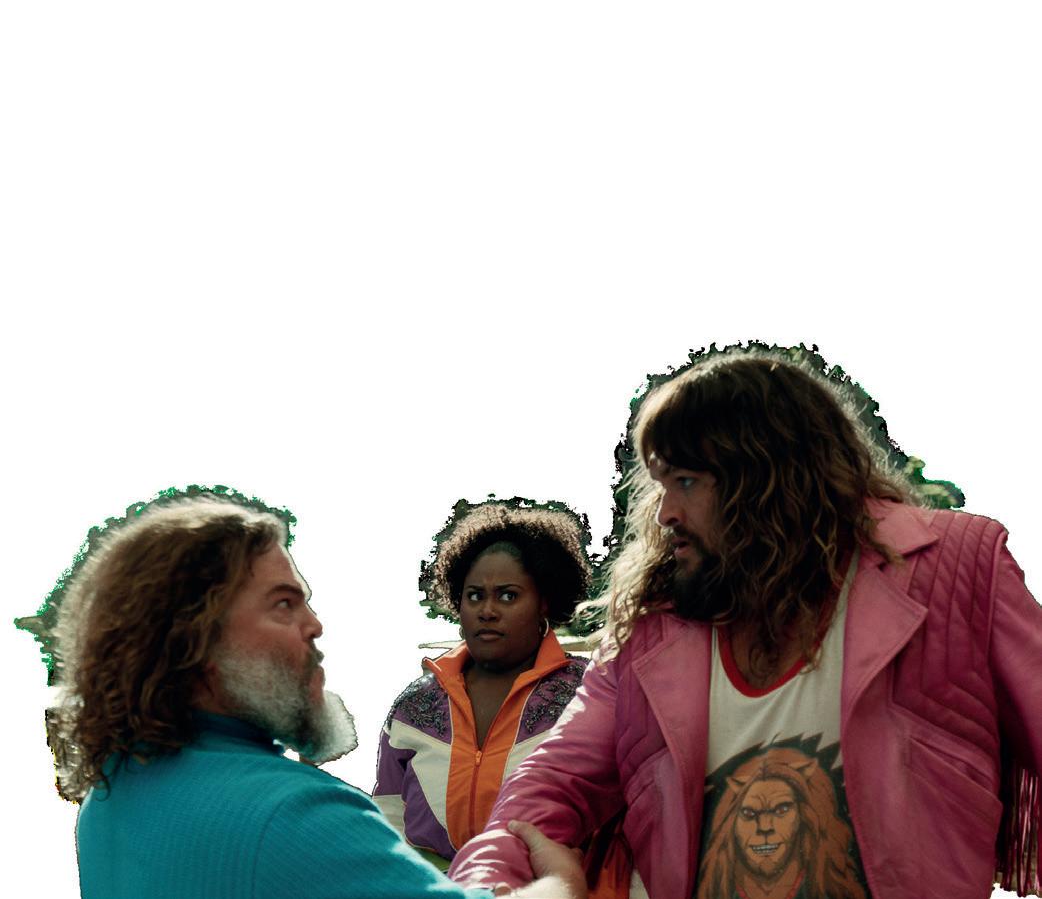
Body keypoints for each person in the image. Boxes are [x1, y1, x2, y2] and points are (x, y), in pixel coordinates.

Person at [448, 351, 1042, 899]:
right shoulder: (650, 630)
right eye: (661, 486)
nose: (665, 513)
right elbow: (543, 794)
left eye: (686, 481)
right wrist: (486, 886)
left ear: (767, 474)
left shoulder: (957, 567)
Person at [17, 490, 588, 899]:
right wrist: (558, 884)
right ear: (194, 639)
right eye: (284, 604)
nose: (314, 625)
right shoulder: (299, 816)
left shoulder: (111, 792)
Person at [374, 500, 595, 868]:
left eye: (508, 596)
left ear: (544, 602)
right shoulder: (414, 706)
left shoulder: (589, 694)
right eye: (475, 595)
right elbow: (388, 819)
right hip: (430, 888)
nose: (487, 611)